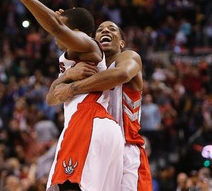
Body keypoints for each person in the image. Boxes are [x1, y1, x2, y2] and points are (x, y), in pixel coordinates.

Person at [0, 0, 124, 191]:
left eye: (63, 23)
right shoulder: (71, 60)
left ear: (76, 31)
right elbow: (52, 98)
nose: (54, 31)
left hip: (88, 121)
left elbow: (55, 27)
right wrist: (65, 78)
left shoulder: (88, 44)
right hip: (91, 125)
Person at [53, 21, 153, 191]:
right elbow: (53, 97)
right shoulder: (85, 67)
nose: (105, 30)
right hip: (94, 143)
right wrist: (67, 75)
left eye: (112, 29)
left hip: (126, 147)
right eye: (99, 30)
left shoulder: (129, 57)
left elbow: (121, 74)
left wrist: (71, 87)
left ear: (122, 42)